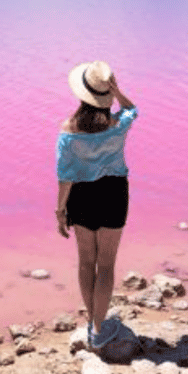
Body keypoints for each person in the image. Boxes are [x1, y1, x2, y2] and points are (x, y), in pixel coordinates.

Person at [55, 61, 138, 351]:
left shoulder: (69, 130)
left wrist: (59, 211)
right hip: (114, 193)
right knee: (106, 266)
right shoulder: (118, 125)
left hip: (81, 196)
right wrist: (118, 91)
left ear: (82, 94)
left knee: (86, 262)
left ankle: (94, 322)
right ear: (107, 95)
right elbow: (133, 110)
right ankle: (100, 329)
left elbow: (65, 177)